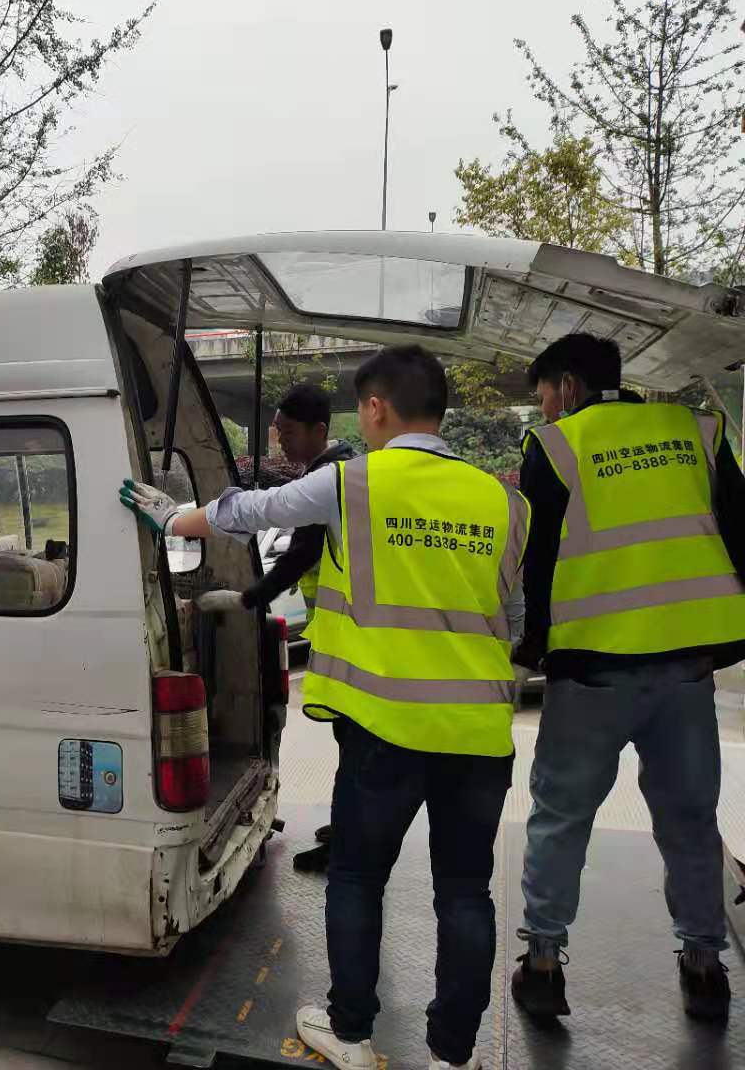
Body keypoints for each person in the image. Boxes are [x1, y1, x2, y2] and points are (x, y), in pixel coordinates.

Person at [122, 345, 528, 1070]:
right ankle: (453, 1055)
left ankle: (350, 1031)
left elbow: (250, 511)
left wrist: (169, 517)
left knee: (359, 879)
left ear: (376, 408)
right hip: (479, 733)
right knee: (466, 894)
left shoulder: (352, 483)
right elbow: (507, 613)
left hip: (383, 730)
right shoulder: (504, 501)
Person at [510, 332, 741, 1022]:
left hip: (593, 673)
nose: (546, 409)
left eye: (546, 394)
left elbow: (540, 559)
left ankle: (545, 963)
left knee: (559, 819)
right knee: (690, 820)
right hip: (688, 668)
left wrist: (532, 645)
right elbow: (739, 528)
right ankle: (705, 968)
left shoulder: (556, 446)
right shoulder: (697, 430)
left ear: (570, 387)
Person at [196, 382, 355, 873]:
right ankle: (350, 826)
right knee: (352, 744)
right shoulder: (341, 468)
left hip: (360, 638)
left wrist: (247, 596)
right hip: (353, 634)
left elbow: (303, 551)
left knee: (355, 746)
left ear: (318, 431)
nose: (280, 443)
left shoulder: (332, 479)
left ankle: (348, 846)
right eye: (277, 432)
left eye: (288, 433)